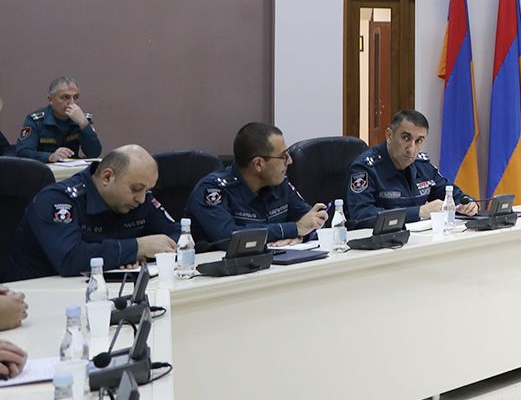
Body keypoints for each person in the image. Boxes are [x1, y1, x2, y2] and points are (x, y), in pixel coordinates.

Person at [4, 145, 179, 280]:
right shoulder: (58, 200)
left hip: (103, 290)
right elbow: (70, 259)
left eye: (147, 190)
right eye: (136, 188)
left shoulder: (139, 199)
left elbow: (178, 235)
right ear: (107, 177)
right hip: (38, 296)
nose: (141, 199)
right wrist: (138, 248)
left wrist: (134, 256)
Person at [188, 122, 330, 249]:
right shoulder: (213, 189)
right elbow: (229, 238)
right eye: (283, 156)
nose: (290, 161)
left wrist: (301, 236)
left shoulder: (278, 183)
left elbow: (311, 220)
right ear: (258, 164)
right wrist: (294, 229)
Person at [345, 109, 480, 228]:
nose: (411, 149)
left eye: (419, 141)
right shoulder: (365, 168)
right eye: (405, 138)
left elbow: (449, 192)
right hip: (375, 243)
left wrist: (467, 203)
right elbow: (361, 215)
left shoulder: (422, 165)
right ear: (389, 136)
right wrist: (419, 212)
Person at [15, 76, 103, 164]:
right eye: (65, 97)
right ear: (51, 100)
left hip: (72, 169)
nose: (72, 102)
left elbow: (94, 153)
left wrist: (84, 124)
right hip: (44, 168)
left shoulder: (82, 119)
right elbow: (23, 152)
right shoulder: (36, 120)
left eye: (76, 97)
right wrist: (50, 156)